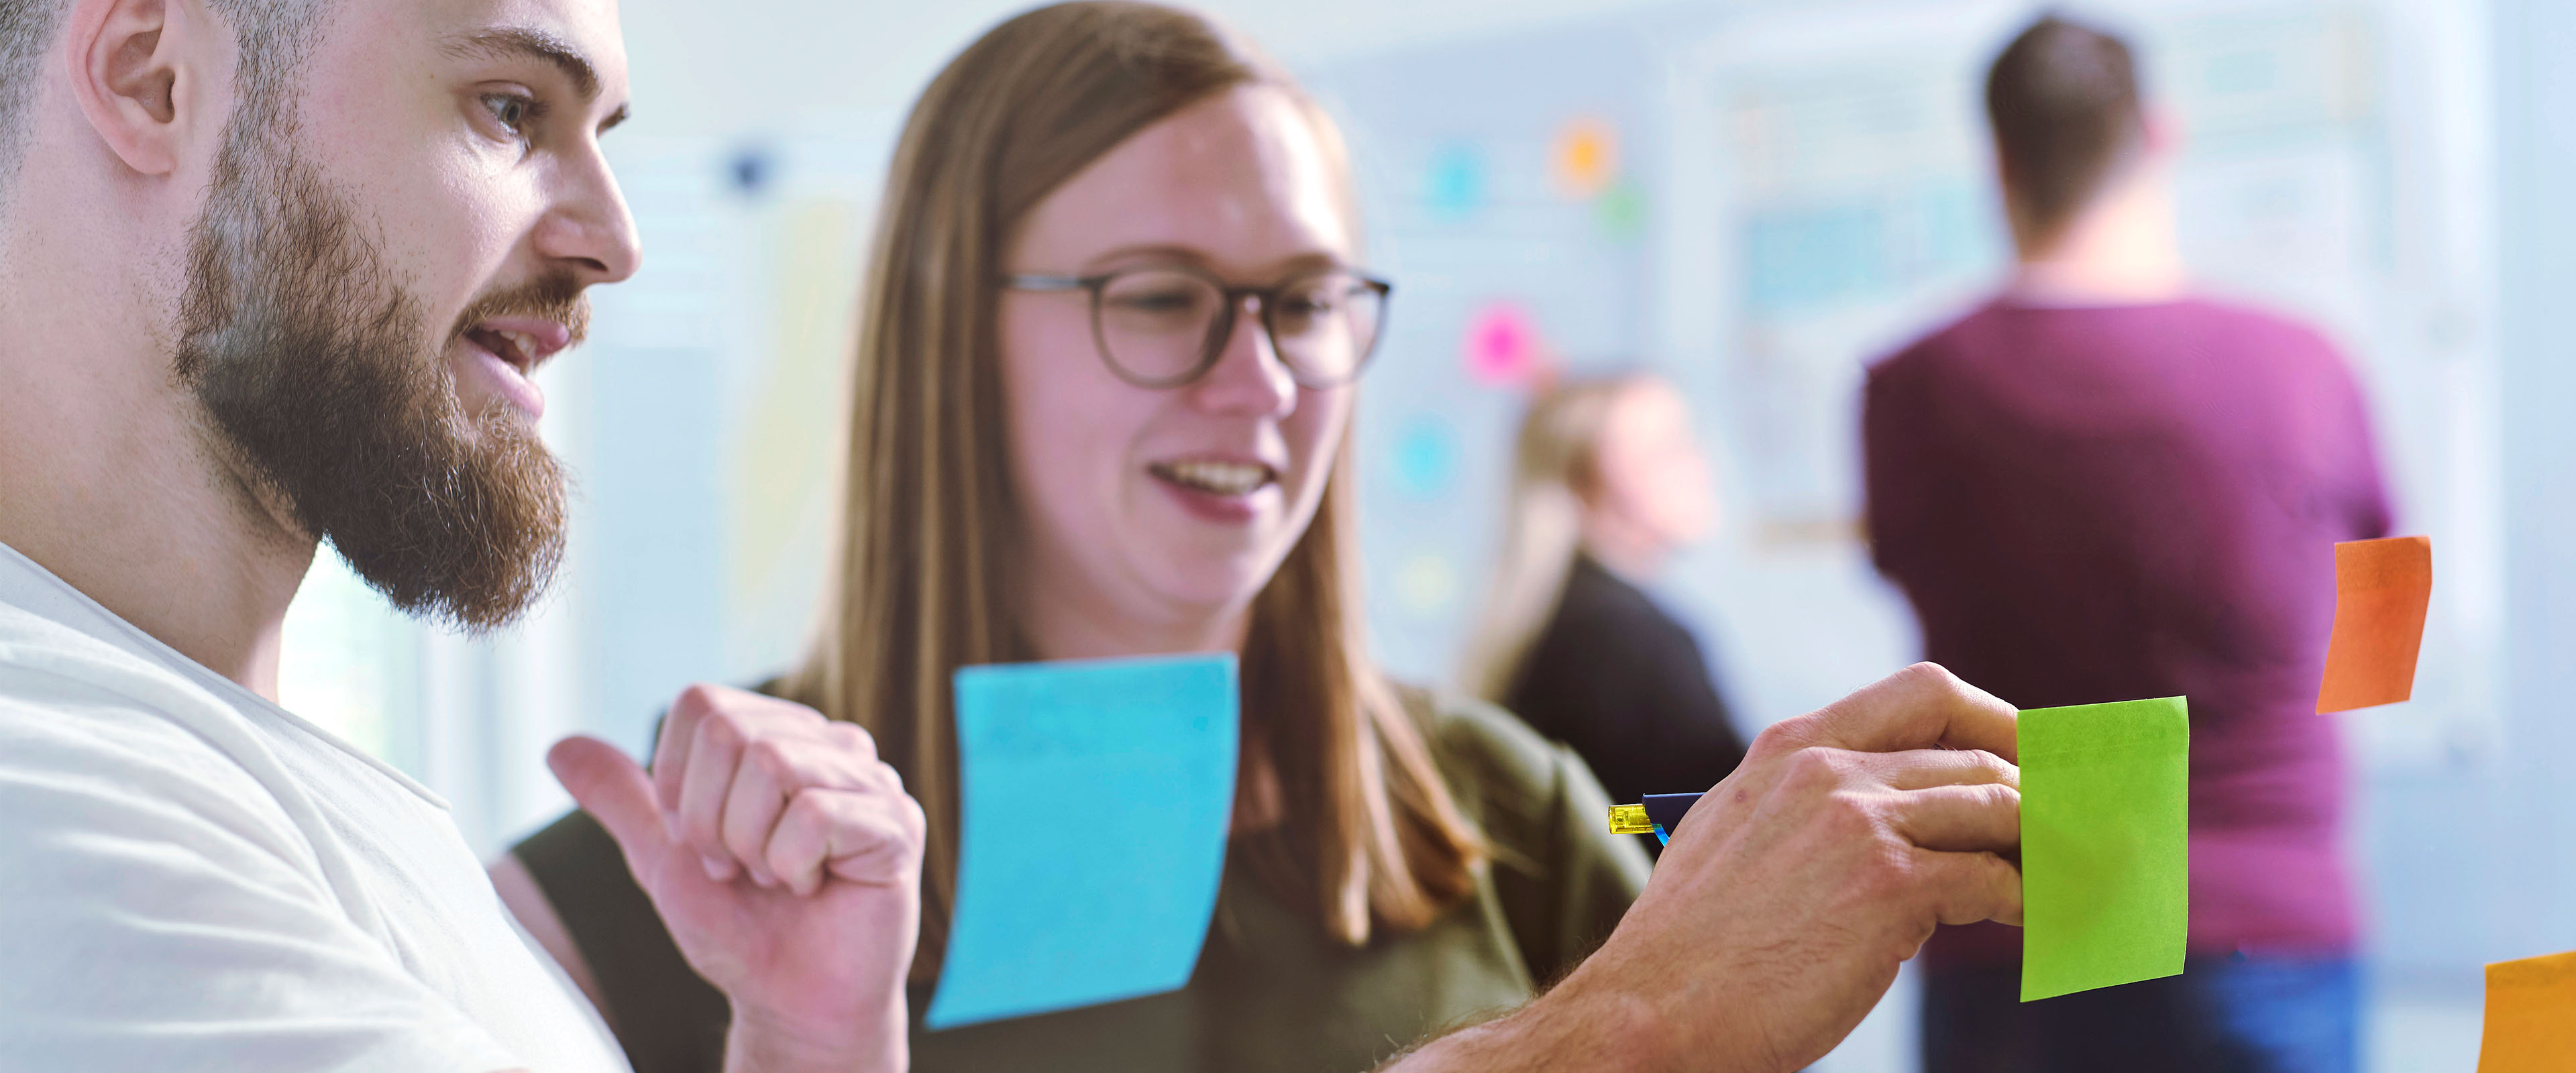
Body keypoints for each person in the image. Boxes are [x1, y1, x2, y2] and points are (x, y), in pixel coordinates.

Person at [0, 0, 2022, 1069]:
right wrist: (1624, 1038)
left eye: (1310, 297)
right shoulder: (647, 871)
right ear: (945, 350)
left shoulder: (1502, 807)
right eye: (1156, 296)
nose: (1260, 380)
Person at [0, 0, 928, 1070]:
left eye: (601, 134)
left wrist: (812, 1040)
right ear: (149, 78)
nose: (619, 245)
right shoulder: (59, 820)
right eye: (511, 109)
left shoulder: (227, 780)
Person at [1864, 14, 2389, 1072]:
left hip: (2028, 915)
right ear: (2162, 136)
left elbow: (1923, 590)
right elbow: (2376, 632)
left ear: (2000, 160)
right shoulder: (2304, 366)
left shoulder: (1916, 386)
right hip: (2264, 918)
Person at [1461, 373, 1748, 817]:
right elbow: (1681, 822)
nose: (1701, 464)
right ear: (1586, 481)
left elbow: (1610, 818)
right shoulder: (1623, 638)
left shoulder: (1563, 619)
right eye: (1667, 448)